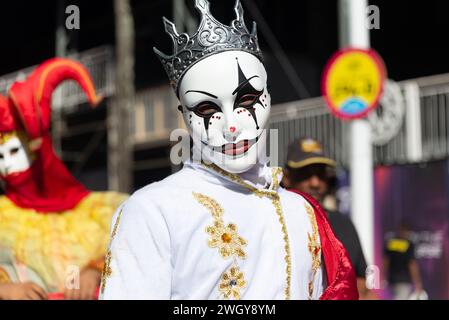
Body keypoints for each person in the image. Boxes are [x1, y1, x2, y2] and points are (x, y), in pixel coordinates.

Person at [100, 0, 357, 300]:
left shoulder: (302, 212)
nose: (231, 126)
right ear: (184, 115)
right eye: (207, 109)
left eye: (247, 101)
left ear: (269, 98)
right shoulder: (153, 212)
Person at [0, 58, 127, 300]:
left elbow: (140, 256)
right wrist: (5, 290)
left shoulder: (98, 211)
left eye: (15, 151)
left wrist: (96, 269)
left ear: (38, 149)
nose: (7, 166)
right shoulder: (3, 216)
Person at [282, 137, 376, 299]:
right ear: (286, 177)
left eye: (321, 174)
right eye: (305, 174)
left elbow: (361, 285)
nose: (315, 183)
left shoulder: (343, 223)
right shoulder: (274, 222)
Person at [383, 222, 423, 300]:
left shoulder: (392, 243)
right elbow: (412, 264)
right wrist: (417, 282)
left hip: (392, 279)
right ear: (407, 231)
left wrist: (383, 276)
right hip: (404, 280)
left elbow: (386, 261)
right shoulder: (408, 244)